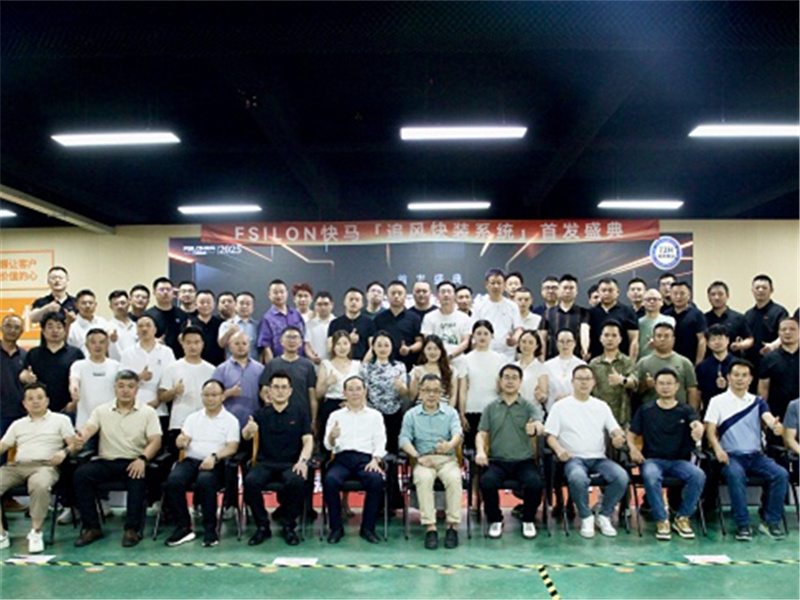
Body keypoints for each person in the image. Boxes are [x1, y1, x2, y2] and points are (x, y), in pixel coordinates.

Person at [72, 370, 162, 548]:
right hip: (107, 461)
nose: (125, 390)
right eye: (121, 386)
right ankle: (92, 527)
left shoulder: (148, 412)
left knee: (138, 477)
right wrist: (81, 436)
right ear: (114, 388)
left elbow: (155, 441)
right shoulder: (101, 410)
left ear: (137, 389)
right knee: (81, 475)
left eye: (130, 386)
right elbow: (89, 428)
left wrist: (143, 459)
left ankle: (132, 529)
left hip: (134, 460)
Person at [705, 359, 788, 541]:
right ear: (728, 377)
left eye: (744, 375)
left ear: (750, 379)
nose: (740, 379)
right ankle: (743, 525)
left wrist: (775, 426)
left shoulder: (757, 402)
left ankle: (771, 521)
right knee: (736, 475)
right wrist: (718, 449)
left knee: (780, 474)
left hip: (756, 456)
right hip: (731, 456)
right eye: (736, 375)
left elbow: (768, 419)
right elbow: (710, 431)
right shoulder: (717, 401)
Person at [545, 365, 628, 538]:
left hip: (599, 459)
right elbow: (550, 436)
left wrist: (618, 437)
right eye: (580, 379)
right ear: (572, 382)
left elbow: (615, 429)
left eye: (587, 379)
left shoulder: (601, 406)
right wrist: (559, 450)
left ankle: (604, 514)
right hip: (573, 459)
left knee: (621, 477)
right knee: (577, 478)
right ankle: (586, 516)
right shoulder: (560, 406)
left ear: (594, 382)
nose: (584, 383)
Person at [627, 369, 706, 540]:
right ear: (655, 386)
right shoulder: (646, 410)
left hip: (679, 461)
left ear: (677, 386)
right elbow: (631, 434)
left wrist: (698, 428)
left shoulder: (686, 410)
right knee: (651, 475)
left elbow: (696, 423)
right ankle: (662, 520)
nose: (665, 387)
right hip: (653, 460)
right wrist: (633, 449)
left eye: (669, 383)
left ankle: (682, 517)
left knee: (698, 475)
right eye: (661, 383)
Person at [0, 382, 76, 554]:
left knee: (39, 485)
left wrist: (64, 452)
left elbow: (74, 445)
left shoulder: (61, 420)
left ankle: (36, 532)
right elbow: (3, 446)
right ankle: (1, 534)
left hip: (45, 466)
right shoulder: (18, 424)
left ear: (47, 400)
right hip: (17, 467)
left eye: (39, 398)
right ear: (24, 404)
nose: (35, 402)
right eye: (30, 399)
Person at [164, 379, 240, 548]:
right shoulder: (193, 418)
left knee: (205, 481)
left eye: (214, 395)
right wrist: (180, 441)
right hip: (191, 460)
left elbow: (232, 447)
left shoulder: (230, 420)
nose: (210, 399)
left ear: (222, 397)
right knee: (174, 481)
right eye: (206, 395)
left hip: (216, 462)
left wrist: (214, 456)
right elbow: (182, 439)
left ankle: (210, 529)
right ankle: (183, 526)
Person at [476, 364, 545, 539]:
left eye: (514, 378)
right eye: (506, 377)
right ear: (500, 381)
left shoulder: (528, 406)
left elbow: (539, 424)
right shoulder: (491, 407)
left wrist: (535, 428)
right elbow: (481, 433)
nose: (510, 381)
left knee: (535, 482)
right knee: (487, 482)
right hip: (497, 461)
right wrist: (480, 451)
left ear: (520, 382)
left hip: (524, 461)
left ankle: (528, 519)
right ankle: (496, 519)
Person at [243, 372, 313, 547]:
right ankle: (262, 526)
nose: (280, 391)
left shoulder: (300, 413)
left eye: (284, 387)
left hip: (291, 463)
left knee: (296, 480)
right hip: (265, 463)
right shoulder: (260, 414)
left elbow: (308, 440)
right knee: (250, 481)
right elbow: (246, 435)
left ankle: (289, 526)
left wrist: (303, 461)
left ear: (290, 391)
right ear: (269, 391)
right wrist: (249, 430)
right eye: (276, 387)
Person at [400, 373, 463, 549]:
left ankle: (452, 526)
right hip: (423, 459)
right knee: (423, 479)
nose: (431, 395)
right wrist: (418, 456)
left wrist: (449, 444)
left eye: (436, 391)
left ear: (441, 393)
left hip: (446, 459)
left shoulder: (450, 413)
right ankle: (430, 527)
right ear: (421, 392)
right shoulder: (411, 415)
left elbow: (458, 434)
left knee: (454, 479)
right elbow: (404, 440)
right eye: (427, 390)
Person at [323, 376, 387, 544]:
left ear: (365, 391)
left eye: (358, 389)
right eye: (350, 389)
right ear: (344, 393)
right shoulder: (335, 415)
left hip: (366, 459)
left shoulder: (375, 416)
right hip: (342, 459)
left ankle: (368, 528)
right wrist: (332, 437)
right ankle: (336, 528)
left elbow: (380, 441)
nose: (355, 393)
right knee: (330, 481)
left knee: (376, 480)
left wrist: (376, 459)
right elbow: (328, 446)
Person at [158, 326, 216, 456]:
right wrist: (174, 391)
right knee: (177, 460)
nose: (193, 346)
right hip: (179, 423)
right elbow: (162, 396)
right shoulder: (172, 368)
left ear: (202, 344)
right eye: (188, 342)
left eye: (196, 342)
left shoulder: (211, 370)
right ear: (182, 343)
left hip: (205, 423)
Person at [120, 315, 176, 435]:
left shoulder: (166, 352)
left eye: (148, 326)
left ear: (154, 330)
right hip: (132, 409)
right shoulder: (128, 353)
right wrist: (139, 377)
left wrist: (159, 400)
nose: (144, 329)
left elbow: (171, 379)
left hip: (160, 409)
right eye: (140, 326)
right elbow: (121, 380)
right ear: (136, 330)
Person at [21, 312, 83, 413]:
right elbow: (24, 374)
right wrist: (26, 377)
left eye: (59, 327)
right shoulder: (33, 353)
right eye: (50, 327)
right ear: (43, 331)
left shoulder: (76, 353)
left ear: (65, 330)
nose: (55, 331)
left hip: (69, 408)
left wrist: (74, 404)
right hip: (40, 409)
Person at [457, 320, 506, 449]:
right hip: (472, 409)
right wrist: (462, 413)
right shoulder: (465, 359)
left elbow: (503, 388)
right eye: (478, 333)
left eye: (486, 333)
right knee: (472, 449)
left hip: (494, 410)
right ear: (473, 336)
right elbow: (463, 389)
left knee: (494, 448)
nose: (482, 337)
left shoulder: (500, 359)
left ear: (492, 336)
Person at [360, 332, 408, 459]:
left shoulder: (399, 366)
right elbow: (363, 392)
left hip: (394, 412)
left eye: (386, 345)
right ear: (373, 347)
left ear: (392, 347)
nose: (383, 349)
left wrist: (401, 387)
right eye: (379, 345)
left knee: (392, 450)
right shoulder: (366, 367)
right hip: (372, 413)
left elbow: (404, 393)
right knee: (373, 449)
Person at [635, 323, 699, 412]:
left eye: (666, 336)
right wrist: (645, 385)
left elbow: (692, 390)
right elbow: (635, 392)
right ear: (653, 339)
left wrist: (693, 414)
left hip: (679, 413)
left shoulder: (684, 363)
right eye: (659, 336)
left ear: (673, 339)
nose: (662, 339)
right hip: (650, 414)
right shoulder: (643, 363)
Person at [260, 327, 317, 425]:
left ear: (301, 342)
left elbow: (312, 395)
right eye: (288, 337)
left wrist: (314, 420)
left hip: (301, 416)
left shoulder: (308, 365)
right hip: (276, 416)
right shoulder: (272, 364)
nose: (292, 341)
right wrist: (268, 399)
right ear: (281, 341)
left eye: (295, 337)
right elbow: (264, 391)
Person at [315, 331, 362, 445]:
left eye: (345, 343)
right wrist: (327, 383)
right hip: (331, 405)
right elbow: (318, 394)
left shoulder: (357, 365)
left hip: (352, 406)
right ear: (333, 347)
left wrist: (352, 403)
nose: (342, 347)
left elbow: (363, 391)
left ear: (350, 345)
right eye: (338, 344)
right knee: (330, 443)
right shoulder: (326, 364)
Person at [589, 321, 638, 429]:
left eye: (614, 335)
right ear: (601, 338)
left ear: (620, 339)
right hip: (597, 417)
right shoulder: (594, 364)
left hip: (621, 418)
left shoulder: (627, 362)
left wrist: (622, 380)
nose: (610, 339)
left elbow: (635, 382)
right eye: (606, 335)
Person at [68, 329, 120, 428]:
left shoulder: (116, 366)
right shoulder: (78, 365)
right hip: (85, 422)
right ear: (86, 345)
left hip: (111, 422)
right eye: (93, 342)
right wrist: (74, 389)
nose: (97, 346)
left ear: (107, 344)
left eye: (101, 342)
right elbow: (74, 381)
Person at [212, 332, 264, 430]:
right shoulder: (221, 370)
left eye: (244, 343)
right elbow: (212, 398)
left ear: (249, 346)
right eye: (237, 343)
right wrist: (229, 393)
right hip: (227, 423)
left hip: (254, 421)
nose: (241, 346)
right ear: (229, 346)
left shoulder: (260, 369)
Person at [757, 317, 799, 429]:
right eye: (783, 329)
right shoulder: (769, 359)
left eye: (792, 329)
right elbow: (763, 389)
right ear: (778, 333)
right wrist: (763, 415)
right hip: (777, 415)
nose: (787, 332)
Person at [744, 274, 788, 377]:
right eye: (757, 288)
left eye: (764, 288)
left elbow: (785, 335)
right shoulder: (748, 314)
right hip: (751, 362)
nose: (760, 290)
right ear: (752, 291)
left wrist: (772, 346)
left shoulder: (779, 312)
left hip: (773, 360)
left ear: (771, 290)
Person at [372, 280, 423, 371]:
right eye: (393, 293)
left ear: (405, 296)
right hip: (384, 367)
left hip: (408, 366)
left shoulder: (414, 317)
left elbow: (419, 342)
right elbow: (373, 342)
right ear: (387, 296)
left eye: (399, 293)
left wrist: (409, 349)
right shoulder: (379, 318)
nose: (396, 296)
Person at [473, 268, 523, 360]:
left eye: (499, 283)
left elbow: (518, 329)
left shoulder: (512, 306)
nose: (496, 286)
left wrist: (515, 338)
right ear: (486, 285)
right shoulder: (479, 306)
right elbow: (473, 330)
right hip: (485, 351)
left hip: (507, 353)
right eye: (493, 283)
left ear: (504, 285)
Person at [539, 274, 590, 360]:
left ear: (576, 291)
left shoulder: (584, 313)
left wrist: (585, 350)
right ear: (559, 290)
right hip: (552, 360)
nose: (568, 291)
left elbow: (584, 332)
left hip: (576, 359)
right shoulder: (547, 313)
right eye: (565, 288)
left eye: (571, 288)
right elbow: (542, 338)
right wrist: (542, 359)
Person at [420, 281, 472, 365]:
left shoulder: (464, 318)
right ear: (437, 296)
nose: (446, 295)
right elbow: (428, 341)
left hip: (458, 361)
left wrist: (450, 356)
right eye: (443, 292)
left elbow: (465, 342)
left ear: (454, 296)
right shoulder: (429, 317)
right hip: (435, 361)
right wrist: (440, 357)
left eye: (449, 292)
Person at [588, 278, 639, 361]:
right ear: (598, 292)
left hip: (621, 361)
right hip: (596, 361)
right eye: (603, 290)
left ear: (618, 292)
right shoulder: (591, 313)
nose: (606, 293)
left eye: (610, 290)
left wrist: (631, 363)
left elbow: (634, 340)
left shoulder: (628, 311)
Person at [257, 279, 306, 363]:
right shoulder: (267, 318)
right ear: (269, 295)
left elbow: (303, 338)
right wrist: (272, 366)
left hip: (299, 361)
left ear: (287, 293)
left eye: (282, 292)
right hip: (279, 363)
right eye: (275, 293)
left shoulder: (296, 314)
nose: (279, 295)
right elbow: (266, 346)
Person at [704, 281, 753, 358]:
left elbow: (749, 339)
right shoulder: (703, 319)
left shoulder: (738, 317)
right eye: (713, 295)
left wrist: (740, 345)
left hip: (733, 360)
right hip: (710, 360)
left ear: (727, 296)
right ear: (709, 298)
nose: (717, 297)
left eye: (720, 294)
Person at [144, 277, 189, 359]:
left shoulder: (182, 314)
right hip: (156, 357)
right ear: (154, 292)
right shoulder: (147, 315)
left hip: (179, 358)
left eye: (168, 290)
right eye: (161, 290)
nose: (165, 292)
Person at [543, 329, 586, 413]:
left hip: (576, 410)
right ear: (557, 344)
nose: (565, 345)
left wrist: (569, 398)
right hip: (553, 410)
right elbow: (545, 391)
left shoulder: (582, 365)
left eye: (568, 341)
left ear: (574, 343)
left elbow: (585, 389)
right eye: (561, 341)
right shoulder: (547, 365)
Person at [664, 282, 707, 366]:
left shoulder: (697, 314)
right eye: (675, 293)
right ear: (670, 295)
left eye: (682, 293)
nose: (678, 297)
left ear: (689, 295)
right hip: (668, 361)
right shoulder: (666, 315)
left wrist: (698, 363)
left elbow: (702, 340)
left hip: (690, 361)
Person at [409, 335, 458, 407]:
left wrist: (449, 412)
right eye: (429, 349)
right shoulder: (417, 370)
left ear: (441, 351)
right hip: (421, 410)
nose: (432, 352)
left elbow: (453, 396)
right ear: (424, 351)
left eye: (436, 349)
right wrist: (416, 380)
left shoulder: (451, 370)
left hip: (444, 410)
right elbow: (412, 397)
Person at [327, 288, 374, 361]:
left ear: (362, 304)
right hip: (340, 364)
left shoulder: (369, 323)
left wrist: (363, 364)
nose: (354, 302)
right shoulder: (335, 323)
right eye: (351, 299)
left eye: (357, 300)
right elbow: (330, 347)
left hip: (362, 363)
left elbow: (373, 347)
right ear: (344, 302)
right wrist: (348, 339)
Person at [695, 325, 735, 410]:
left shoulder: (737, 364)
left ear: (728, 340)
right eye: (713, 339)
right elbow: (698, 392)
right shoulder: (702, 367)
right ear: (708, 344)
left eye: (720, 338)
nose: (717, 342)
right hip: (709, 410)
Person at [1, 315, 26, 439]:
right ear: (1, 328)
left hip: (20, 413)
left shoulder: (25, 355)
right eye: (8, 326)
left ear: (21, 331)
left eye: (17, 328)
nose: (12, 330)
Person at [67, 289, 110, 357]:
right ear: (76, 305)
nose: (87, 306)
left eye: (90, 303)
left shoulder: (103, 322)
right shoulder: (72, 325)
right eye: (83, 303)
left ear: (95, 305)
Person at [218, 291, 259, 361]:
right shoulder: (226, 324)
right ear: (235, 306)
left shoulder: (257, 326)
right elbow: (221, 344)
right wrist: (229, 332)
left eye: (248, 304)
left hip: (253, 365)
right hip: (232, 364)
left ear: (253, 308)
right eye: (241, 303)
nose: (244, 306)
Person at [189, 289, 225, 366]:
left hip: (218, 365)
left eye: (208, 302)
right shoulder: (190, 323)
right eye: (202, 302)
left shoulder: (222, 323)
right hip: (195, 365)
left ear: (214, 304)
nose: (205, 305)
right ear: (195, 304)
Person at [513, 330, 548, 409]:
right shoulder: (512, 366)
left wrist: (541, 397)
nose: (526, 345)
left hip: (532, 410)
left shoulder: (541, 368)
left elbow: (544, 395)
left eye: (530, 342)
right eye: (523, 342)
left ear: (537, 346)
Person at [637, 289, 675, 360]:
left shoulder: (669, 320)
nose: (652, 302)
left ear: (661, 302)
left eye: (655, 299)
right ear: (643, 303)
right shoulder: (638, 322)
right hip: (643, 360)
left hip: (665, 359)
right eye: (648, 299)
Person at [304, 291, 336, 367]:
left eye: (326, 304)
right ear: (315, 306)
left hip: (335, 365)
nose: (323, 307)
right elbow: (306, 344)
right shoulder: (309, 325)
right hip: (315, 364)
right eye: (319, 304)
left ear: (332, 305)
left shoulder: (337, 323)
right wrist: (312, 357)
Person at [107, 290, 138, 362]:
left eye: (123, 303)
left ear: (129, 303)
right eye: (116, 304)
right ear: (111, 306)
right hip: (117, 366)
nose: (120, 306)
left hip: (136, 365)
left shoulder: (136, 326)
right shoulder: (106, 327)